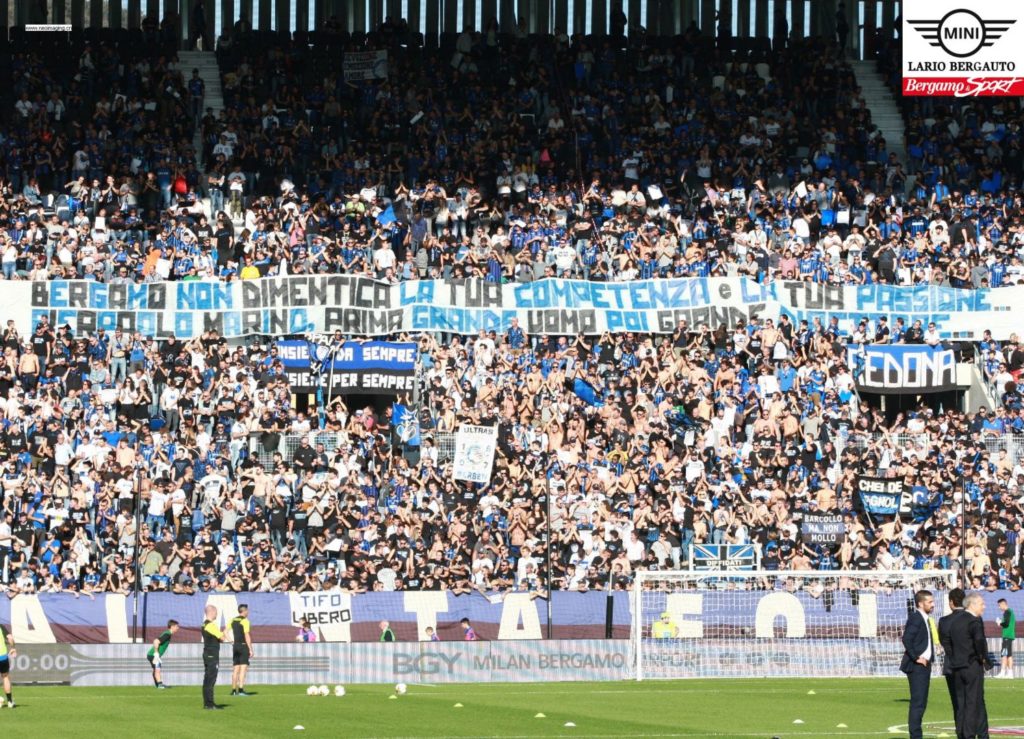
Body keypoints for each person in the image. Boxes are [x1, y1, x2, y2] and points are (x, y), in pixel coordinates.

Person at [945, 593, 993, 739]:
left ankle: (962, 733)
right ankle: (970, 735)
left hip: (957, 667)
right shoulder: (974, 621)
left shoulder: (955, 621)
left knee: (961, 702)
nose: (984, 606)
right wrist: (983, 658)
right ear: (972, 604)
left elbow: (947, 641)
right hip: (972, 666)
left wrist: (955, 657)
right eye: (981, 604)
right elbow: (979, 641)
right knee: (974, 702)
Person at [900, 589, 938, 739]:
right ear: (921, 604)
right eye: (930, 602)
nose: (933, 605)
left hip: (925, 665)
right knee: (918, 702)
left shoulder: (926, 618)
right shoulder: (916, 618)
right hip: (917, 666)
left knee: (921, 701)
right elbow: (906, 639)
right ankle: (916, 736)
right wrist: (916, 657)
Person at [938, 588, 967, 728]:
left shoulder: (944, 621)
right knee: (972, 701)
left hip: (951, 664)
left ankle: (960, 732)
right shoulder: (972, 619)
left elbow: (943, 641)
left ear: (951, 602)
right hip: (969, 664)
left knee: (957, 701)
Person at [201, 605, 226, 710]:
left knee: (207, 680)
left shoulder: (204, 624)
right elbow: (222, 638)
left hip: (207, 653)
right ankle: (210, 703)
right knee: (211, 680)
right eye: (216, 612)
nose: (216, 614)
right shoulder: (211, 625)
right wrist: (224, 632)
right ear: (212, 612)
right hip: (212, 655)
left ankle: (207, 703)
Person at [146, 619, 180, 689]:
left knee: (156, 669)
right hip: (153, 655)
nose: (178, 628)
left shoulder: (168, 634)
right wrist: (156, 654)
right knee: (157, 669)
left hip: (151, 654)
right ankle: (160, 684)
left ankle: (158, 684)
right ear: (172, 626)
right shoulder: (167, 634)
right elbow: (156, 641)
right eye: (177, 626)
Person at [230, 604, 254, 697]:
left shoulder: (233, 620)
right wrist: (250, 649)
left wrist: (231, 641)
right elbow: (247, 635)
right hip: (243, 646)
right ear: (244, 611)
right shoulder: (245, 621)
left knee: (235, 669)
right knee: (243, 669)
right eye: (247, 611)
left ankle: (233, 690)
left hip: (235, 646)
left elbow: (225, 631)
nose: (248, 612)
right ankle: (240, 690)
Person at [997, 598, 1015, 679]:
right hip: (1009, 636)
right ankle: (1010, 673)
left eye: (999, 605)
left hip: (1007, 636)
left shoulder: (1007, 612)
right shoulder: (1010, 612)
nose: (999, 607)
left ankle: (1002, 673)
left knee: (1004, 654)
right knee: (1009, 655)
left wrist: (999, 622)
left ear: (1003, 604)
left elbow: (1006, 623)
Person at [0, 623, 16, 708]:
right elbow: (10, 638)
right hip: (2, 657)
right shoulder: (1, 626)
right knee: (5, 677)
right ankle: (10, 701)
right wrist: (13, 647)